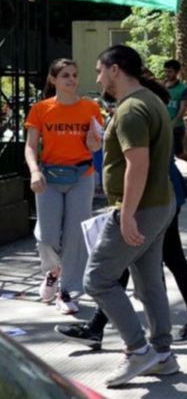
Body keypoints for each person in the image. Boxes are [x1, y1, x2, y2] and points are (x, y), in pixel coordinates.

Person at [83, 45, 177, 388]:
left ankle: (139, 351)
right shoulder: (148, 102)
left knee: (97, 279)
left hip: (140, 207)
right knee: (150, 281)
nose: (97, 77)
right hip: (158, 205)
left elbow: (138, 166)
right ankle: (162, 355)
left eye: (99, 70)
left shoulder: (132, 109)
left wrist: (126, 215)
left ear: (116, 70)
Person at [25, 58, 103, 315]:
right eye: (65, 75)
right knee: (47, 236)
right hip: (49, 177)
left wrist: (94, 143)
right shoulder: (40, 109)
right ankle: (52, 271)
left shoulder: (90, 108)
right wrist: (35, 171)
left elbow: (95, 145)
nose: (71, 80)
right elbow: (30, 145)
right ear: (54, 79)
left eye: (74, 75)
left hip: (81, 176)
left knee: (74, 235)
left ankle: (67, 291)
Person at [163, 59, 187, 176]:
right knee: (166, 154)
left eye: (170, 72)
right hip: (163, 126)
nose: (167, 74)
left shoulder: (183, 89)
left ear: (177, 72)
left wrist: (173, 123)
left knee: (179, 153)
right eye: (166, 71)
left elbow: (182, 109)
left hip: (176, 127)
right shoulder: (162, 86)